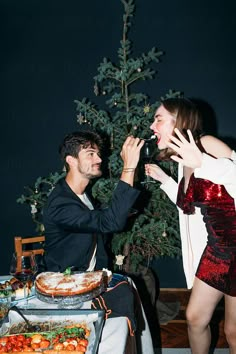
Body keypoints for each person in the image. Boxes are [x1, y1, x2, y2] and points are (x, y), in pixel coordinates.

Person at [145, 98, 236, 353]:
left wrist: (203, 162)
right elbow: (189, 207)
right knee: (195, 318)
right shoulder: (183, 161)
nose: (152, 125)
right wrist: (164, 180)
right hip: (217, 251)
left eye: (158, 118)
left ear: (180, 121)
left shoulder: (206, 145)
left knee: (233, 332)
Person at [43, 130, 144, 273]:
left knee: (128, 291)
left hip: (94, 276)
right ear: (71, 160)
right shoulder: (59, 203)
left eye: (97, 154)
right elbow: (110, 222)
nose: (99, 160)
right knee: (126, 294)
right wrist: (129, 167)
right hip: (65, 282)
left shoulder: (83, 195)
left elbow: (97, 220)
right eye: (90, 154)